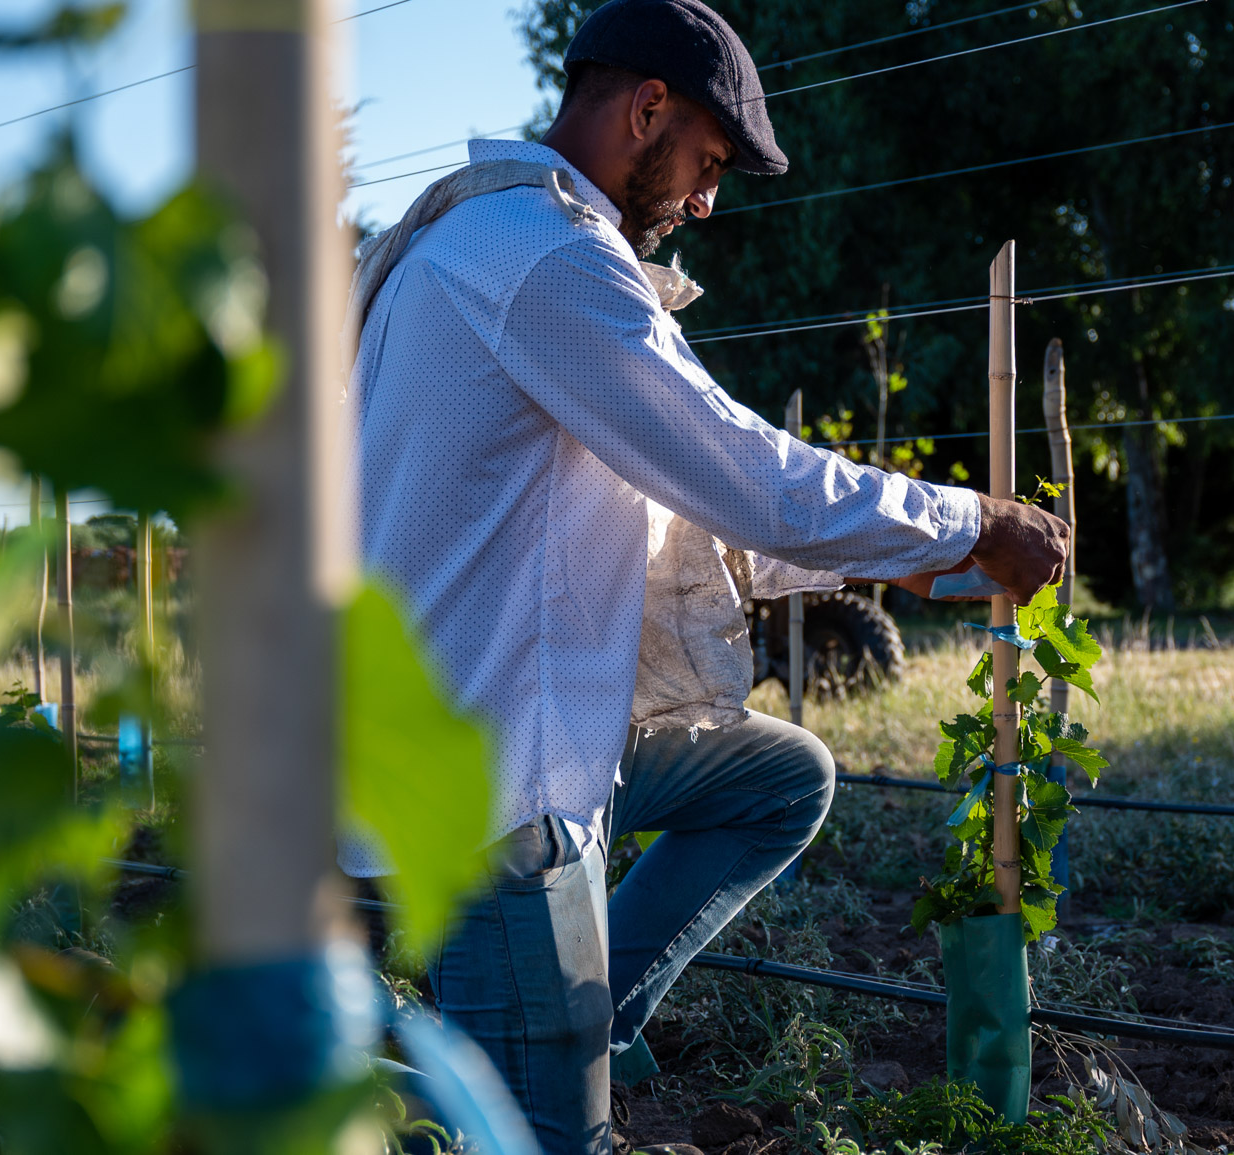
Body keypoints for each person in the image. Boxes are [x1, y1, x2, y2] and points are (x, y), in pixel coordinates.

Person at [346, 1, 1069, 1151]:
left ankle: (568, 1029)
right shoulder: (549, 263)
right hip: (495, 789)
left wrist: (924, 561)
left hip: (469, 737)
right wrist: (970, 518)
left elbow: (687, 501)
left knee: (776, 779)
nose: (706, 201)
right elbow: (747, 476)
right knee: (544, 1142)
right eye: (709, 162)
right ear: (646, 110)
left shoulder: (474, 241)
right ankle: (491, 1075)